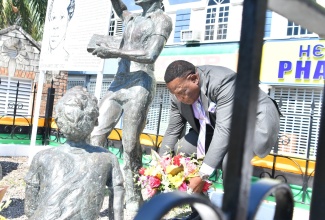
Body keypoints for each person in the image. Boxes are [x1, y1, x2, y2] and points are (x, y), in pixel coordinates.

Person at [88, 0, 172, 212]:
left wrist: (114, 52)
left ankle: (134, 196)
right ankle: (109, 183)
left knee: (130, 143)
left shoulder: (162, 20)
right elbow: (121, 9)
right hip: (119, 81)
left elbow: (151, 54)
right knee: (96, 134)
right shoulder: (133, 18)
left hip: (140, 82)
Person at [159, 60, 281, 194]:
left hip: (253, 123)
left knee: (232, 161)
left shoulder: (222, 82)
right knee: (183, 149)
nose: (179, 98)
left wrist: (202, 175)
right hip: (218, 126)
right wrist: (159, 167)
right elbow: (172, 131)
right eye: (175, 94)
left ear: (194, 79)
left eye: (182, 92)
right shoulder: (177, 93)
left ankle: (231, 207)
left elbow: (224, 130)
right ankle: (199, 207)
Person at [24, 86, 125, 220]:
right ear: (96, 121)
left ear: (58, 122)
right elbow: (117, 208)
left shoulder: (42, 157)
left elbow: (30, 209)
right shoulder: (108, 159)